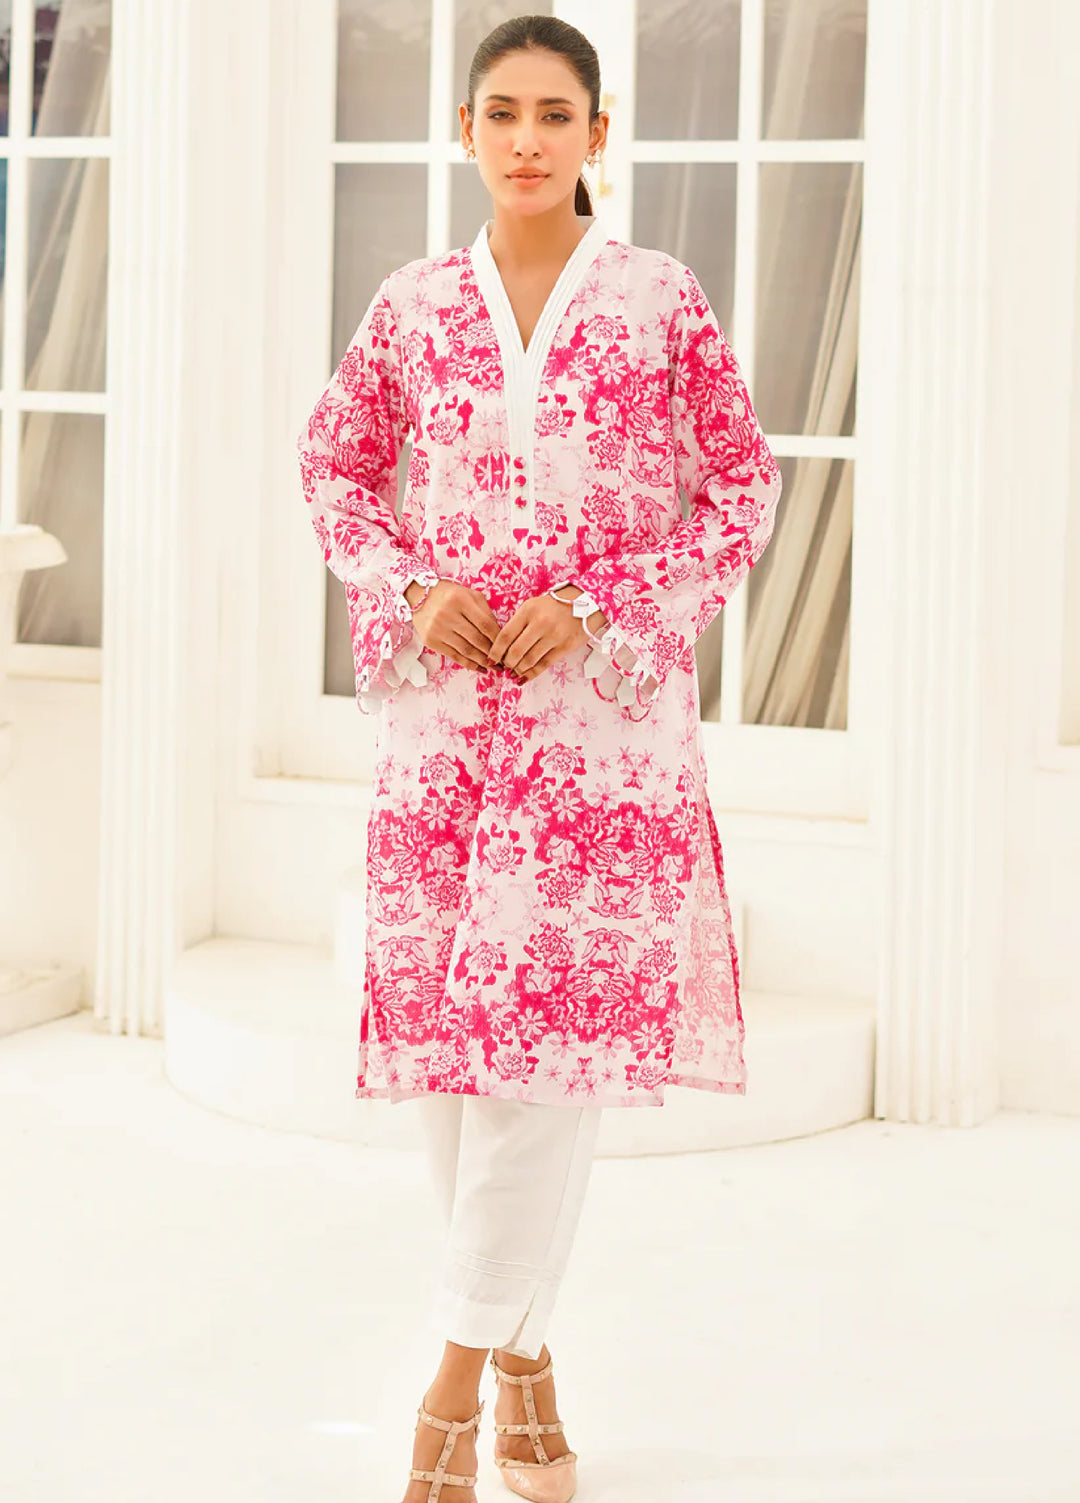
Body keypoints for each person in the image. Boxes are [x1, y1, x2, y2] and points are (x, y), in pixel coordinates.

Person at [297, 16, 783, 1502]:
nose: (526, 139)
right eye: (501, 112)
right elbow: (332, 466)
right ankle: (526, 1361)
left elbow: (741, 490)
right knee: (460, 1073)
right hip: (444, 743)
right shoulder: (412, 305)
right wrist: (406, 587)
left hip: (598, 752)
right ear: (465, 130)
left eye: (554, 114)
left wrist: (607, 607)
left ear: (596, 133)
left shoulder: (659, 301)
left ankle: (446, 1390)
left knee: (541, 1061)